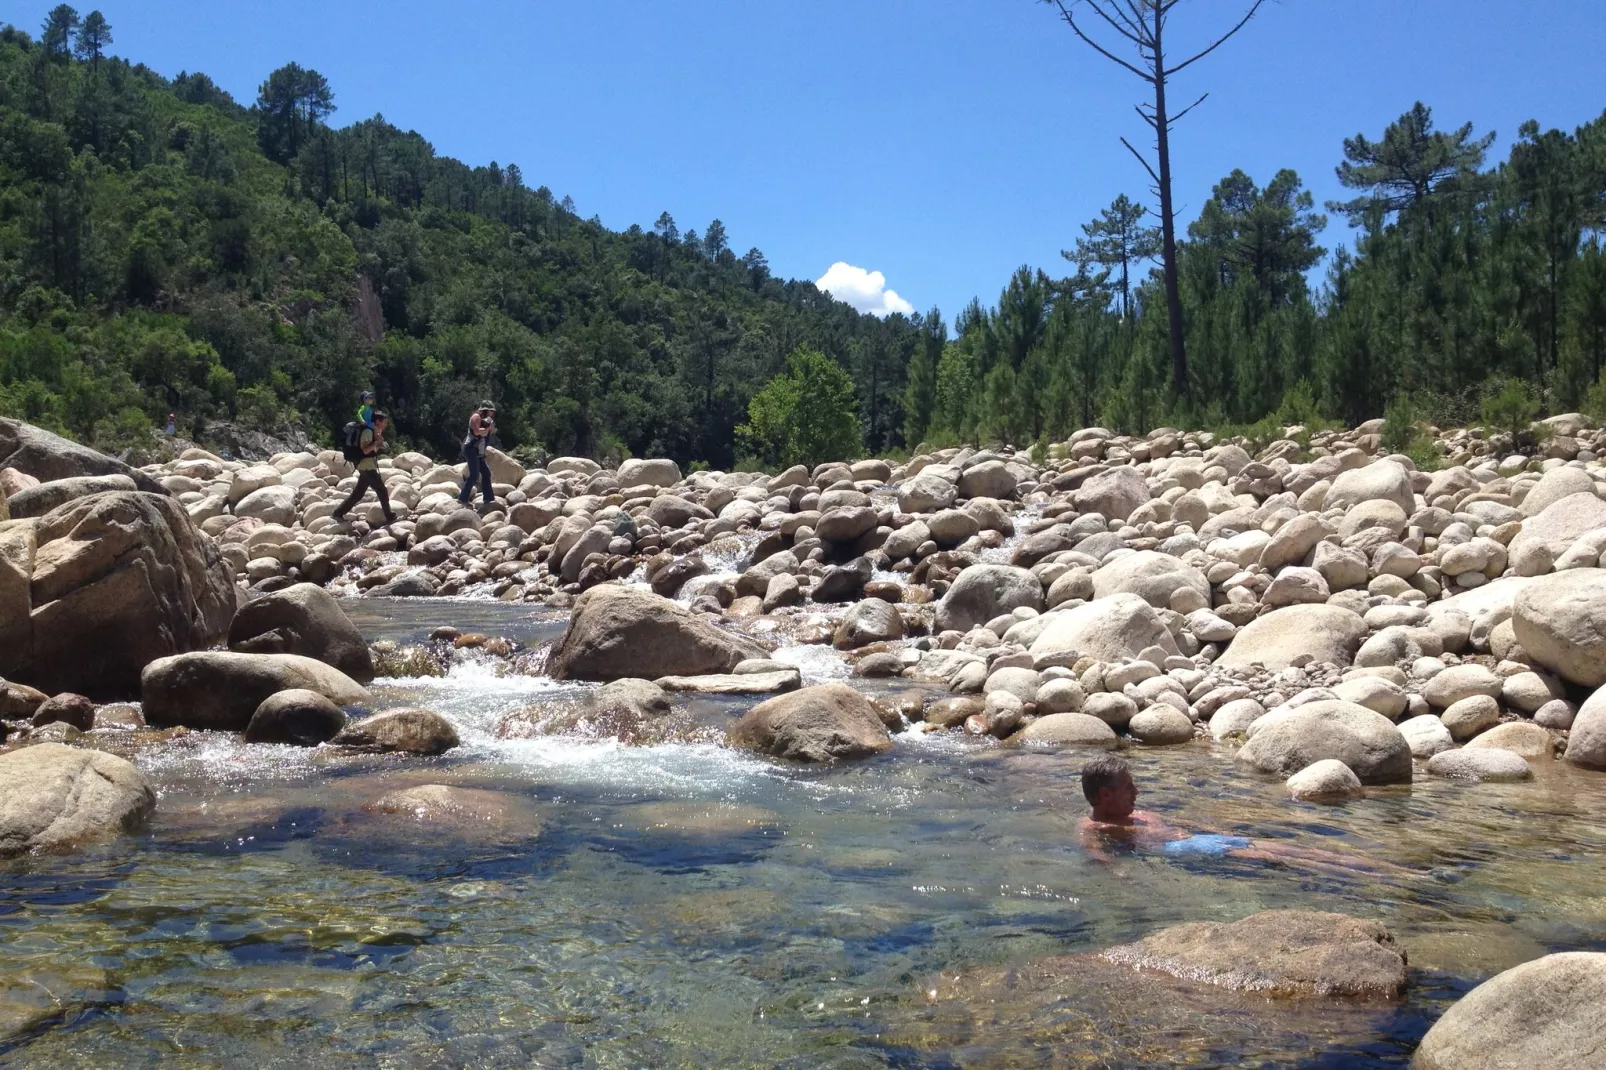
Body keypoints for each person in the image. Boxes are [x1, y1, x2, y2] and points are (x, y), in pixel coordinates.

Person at [1076, 755, 1411, 878]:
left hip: (1210, 840)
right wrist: (1116, 871)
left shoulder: (1139, 813)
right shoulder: (1096, 826)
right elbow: (1096, 851)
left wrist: (1220, 830)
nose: (1137, 793)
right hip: (1191, 851)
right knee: (1277, 857)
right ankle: (1388, 879)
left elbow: (1189, 825)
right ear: (1105, 796)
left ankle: (1398, 871)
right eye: (1128, 789)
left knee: (1293, 848)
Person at [332, 409, 396, 524]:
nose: (386, 424)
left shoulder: (374, 431)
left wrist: (379, 442)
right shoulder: (367, 431)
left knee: (358, 493)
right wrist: (376, 443)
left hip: (366, 465)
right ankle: (389, 516)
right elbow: (365, 450)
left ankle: (338, 513)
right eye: (384, 422)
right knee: (382, 491)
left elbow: (373, 449)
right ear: (377, 421)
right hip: (366, 466)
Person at [457, 400, 497, 509]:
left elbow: (489, 433)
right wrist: (488, 428)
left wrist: (490, 428)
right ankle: (462, 498)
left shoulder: (485, 420)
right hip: (470, 449)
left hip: (478, 451)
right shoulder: (476, 417)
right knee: (474, 474)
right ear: (485, 410)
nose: (492, 413)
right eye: (490, 411)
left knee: (486, 473)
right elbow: (476, 432)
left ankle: (488, 498)